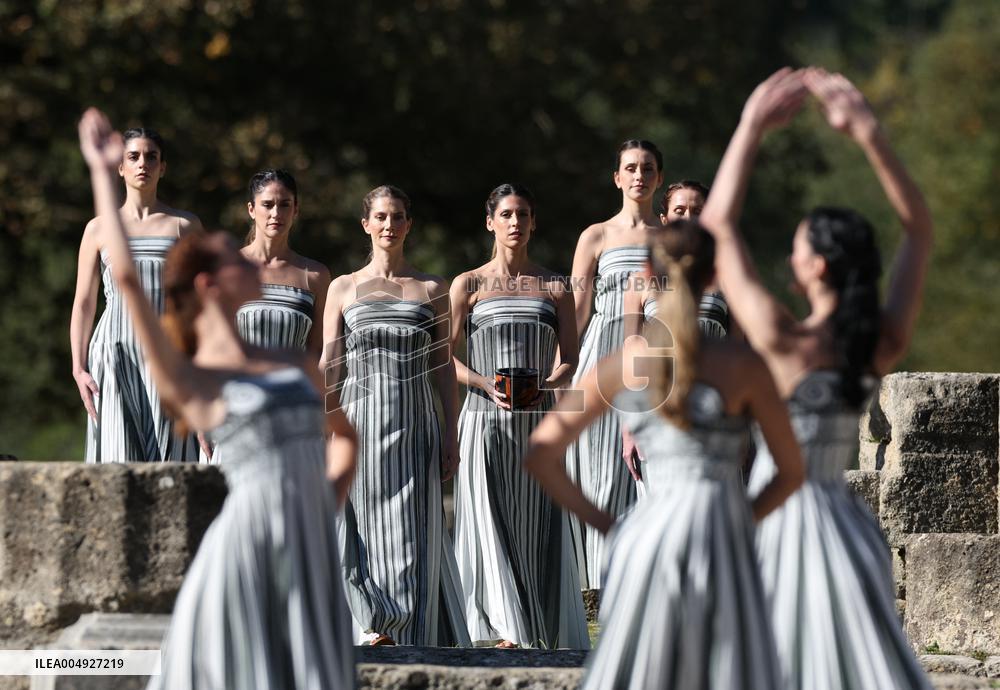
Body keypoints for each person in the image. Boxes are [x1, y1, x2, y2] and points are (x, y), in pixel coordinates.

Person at [77, 108, 357, 689]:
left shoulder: (297, 362)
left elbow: (346, 438)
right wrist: (102, 176)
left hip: (309, 546)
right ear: (210, 284)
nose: (245, 254)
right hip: (243, 544)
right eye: (233, 253)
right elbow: (125, 279)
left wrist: (320, 503)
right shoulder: (195, 377)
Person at [699, 67, 934, 689]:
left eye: (797, 249)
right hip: (849, 526)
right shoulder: (877, 342)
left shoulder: (780, 338)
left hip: (780, 520)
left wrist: (750, 126)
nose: (788, 259)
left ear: (817, 266)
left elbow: (717, 226)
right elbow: (919, 228)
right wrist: (869, 135)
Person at [524, 221, 804, 689]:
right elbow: (792, 470)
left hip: (648, 536)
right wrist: (744, 517)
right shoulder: (744, 366)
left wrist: (611, 525)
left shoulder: (625, 364)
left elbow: (539, 455)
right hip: (722, 534)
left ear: (648, 271)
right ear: (714, 276)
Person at [323, 185, 469, 647]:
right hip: (358, 425)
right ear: (366, 224)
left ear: (409, 223)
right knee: (359, 529)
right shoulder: (343, 287)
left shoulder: (431, 289)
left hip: (415, 425)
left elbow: (444, 367)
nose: (390, 225)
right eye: (381, 217)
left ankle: (415, 633)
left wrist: (452, 434)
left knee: (412, 533)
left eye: (399, 216)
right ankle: (370, 626)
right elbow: (330, 362)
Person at [449, 184, 588, 649]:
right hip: (483, 422)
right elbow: (444, 358)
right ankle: (506, 630)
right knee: (490, 522)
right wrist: (485, 383)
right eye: (506, 214)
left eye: (523, 214)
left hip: (539, 423)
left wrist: (547, 385)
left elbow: (571, 356)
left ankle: (539, 630)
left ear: (533, 222)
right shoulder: (467, 285)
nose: (515, 222)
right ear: (490, 221)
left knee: (538, 526)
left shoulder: (555, 286)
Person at [70, 124, 201, 462]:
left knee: (171, 460)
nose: (143, 163)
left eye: (151, 157)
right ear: (120, 166)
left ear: (162, 167)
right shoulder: (99, 228)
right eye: (134, 156)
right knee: (117, 463)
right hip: (114, 352)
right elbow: (84, 301)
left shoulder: (184, 226)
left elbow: (197, 305)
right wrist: (78, 366)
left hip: (168, 354)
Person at [566, 139, 664, 588]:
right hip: (601, 358)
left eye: (647, 168)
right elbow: (578, 312)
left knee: (644, 469)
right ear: (618, 178)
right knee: (601, 473)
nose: (639, 175)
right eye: (631, 167)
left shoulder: (670, 238)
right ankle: (598, 585)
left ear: (658, 178)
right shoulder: (596, 236)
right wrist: (562, 370)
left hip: (654, 359)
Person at [200, 170, 330, 464]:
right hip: (236, 410)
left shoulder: (315, 275)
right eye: (268, 204)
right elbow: (211, 345)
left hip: (294, 415)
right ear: (251, 209)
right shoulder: (229, 267)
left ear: (296, 209)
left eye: (285, 204)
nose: (276, 213)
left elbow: (318, 352)